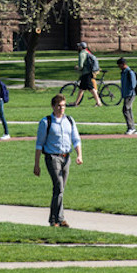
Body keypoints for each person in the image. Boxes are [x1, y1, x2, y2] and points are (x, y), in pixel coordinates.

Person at [34, 93, 83, 227]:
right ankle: (59, 219)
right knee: (59, 187)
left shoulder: (69, 121)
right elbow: (39, 144)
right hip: (52, 157)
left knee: (59, 189)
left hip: (66, 157)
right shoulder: (46, 122)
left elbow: (76, 139)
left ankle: (54, 219)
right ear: (53, 106)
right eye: (59, 106)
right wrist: (36, 164)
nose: (62, 109)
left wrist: (79, 155)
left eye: (64, 106)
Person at [72, 42, 104, 106]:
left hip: (86, 74)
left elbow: (81, 66)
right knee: (81, 89)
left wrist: (77, 68)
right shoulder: (87, 53)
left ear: (81, 47)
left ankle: (99, 102)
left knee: (91, 88)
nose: (78, 47)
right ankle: (76, 103)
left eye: (79, 46)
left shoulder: (82, 54)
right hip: (88, 73)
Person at [116, 57, 137, 134]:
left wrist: (129, 91)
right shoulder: (123, 72)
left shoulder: (129, 72)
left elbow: (133, 84)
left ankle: (131, 127)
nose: (119, 67)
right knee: (128, 110)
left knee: (125, 110)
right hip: (126, 94)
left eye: (119, 65)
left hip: (130, 94)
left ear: (123, 64)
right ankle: (133, 128)